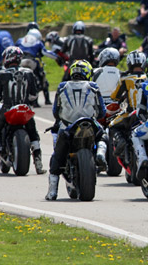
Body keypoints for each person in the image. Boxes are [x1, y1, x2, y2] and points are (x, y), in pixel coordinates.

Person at [45, 60, 107, 200]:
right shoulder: (94, 86)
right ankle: (101, 153)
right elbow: (102, 112)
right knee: (103, 136)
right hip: (90, 124)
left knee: (57, 157)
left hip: (67, 126)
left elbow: (56, 112)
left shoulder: (62, 87)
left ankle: (52, 191)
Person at [0, 46, 47, 176]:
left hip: (7, 110)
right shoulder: (29, 73)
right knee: (34, 134)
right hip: (25, 109)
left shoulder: (2, 73)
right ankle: (39, 165)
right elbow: (34, 95)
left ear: (7, 58)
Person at [110, 50, 147, 156]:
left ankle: (121, 139)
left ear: (129, 64)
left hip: (131, 113)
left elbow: (114, 96)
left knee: (112, 125)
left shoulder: (125, 79)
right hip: (147, 114)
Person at [16, 28, 58, 106]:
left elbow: (13, 50)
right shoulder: (38, 42)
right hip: (32, 62)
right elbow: (45, 52)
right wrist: (57, 57)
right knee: (41, 77)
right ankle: (40, 101)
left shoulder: (20, 40)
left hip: (20, 62)